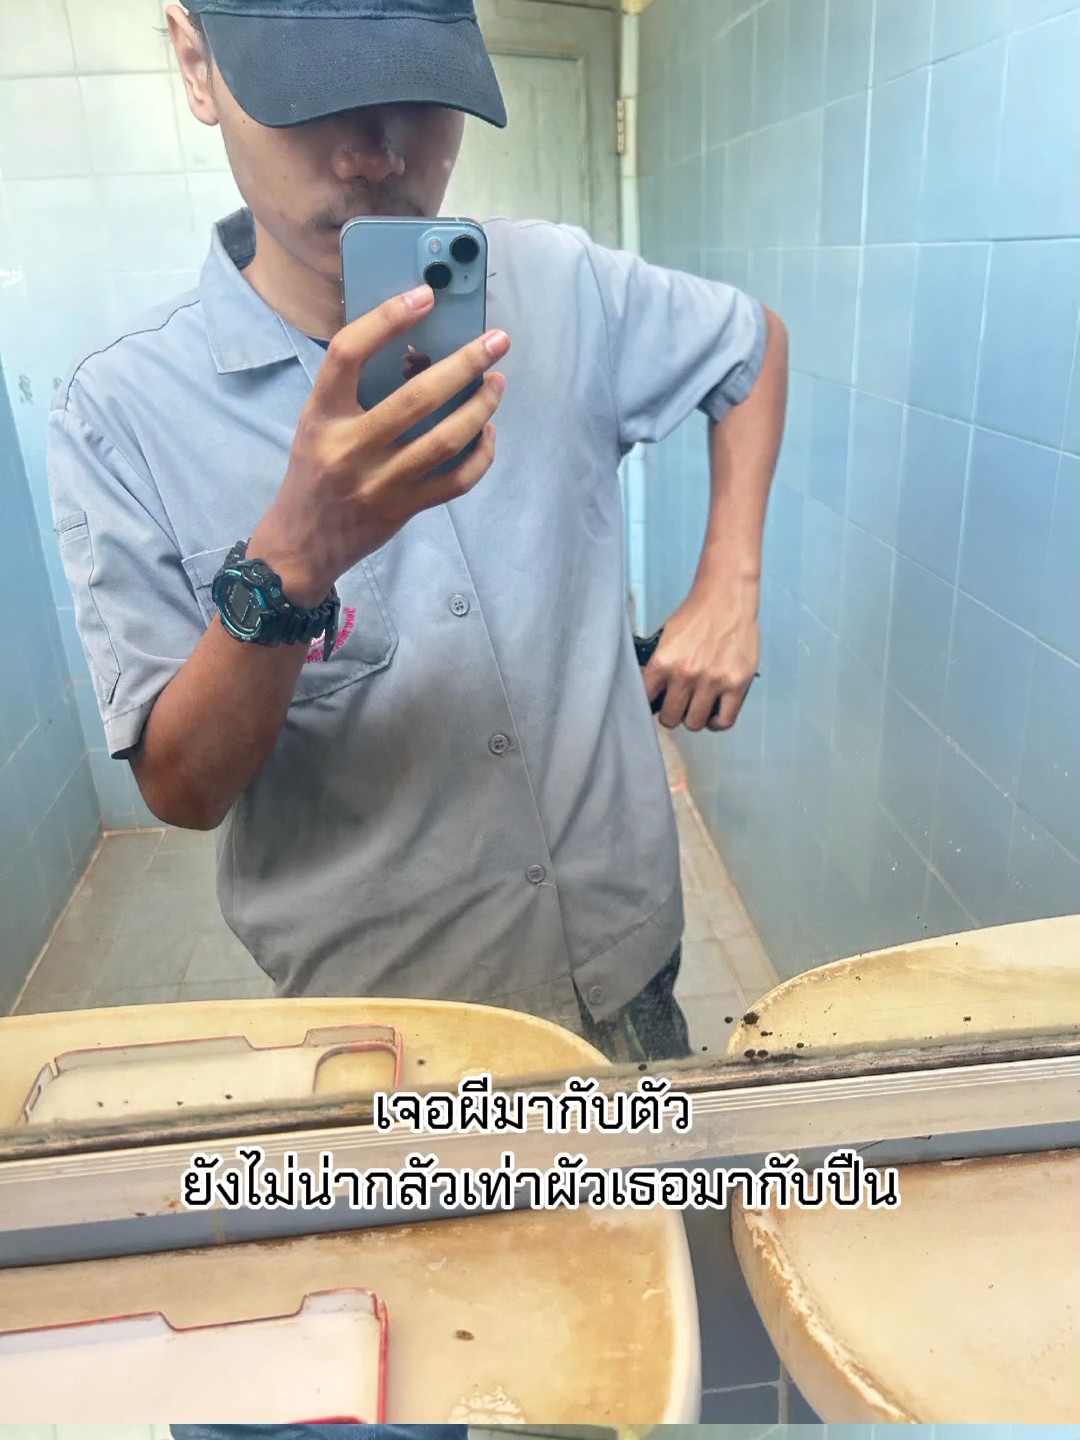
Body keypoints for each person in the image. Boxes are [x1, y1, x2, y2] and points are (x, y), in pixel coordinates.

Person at [48, 0, 788, 1062]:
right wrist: (294, 561)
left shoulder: (561, 284)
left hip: (628, 961)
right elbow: (184, 790)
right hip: (386, 1033)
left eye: (418, 92)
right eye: (315, 99)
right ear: (198, 64)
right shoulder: (122, 412)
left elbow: (751, 343)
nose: (375, 154)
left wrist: (730, 583)